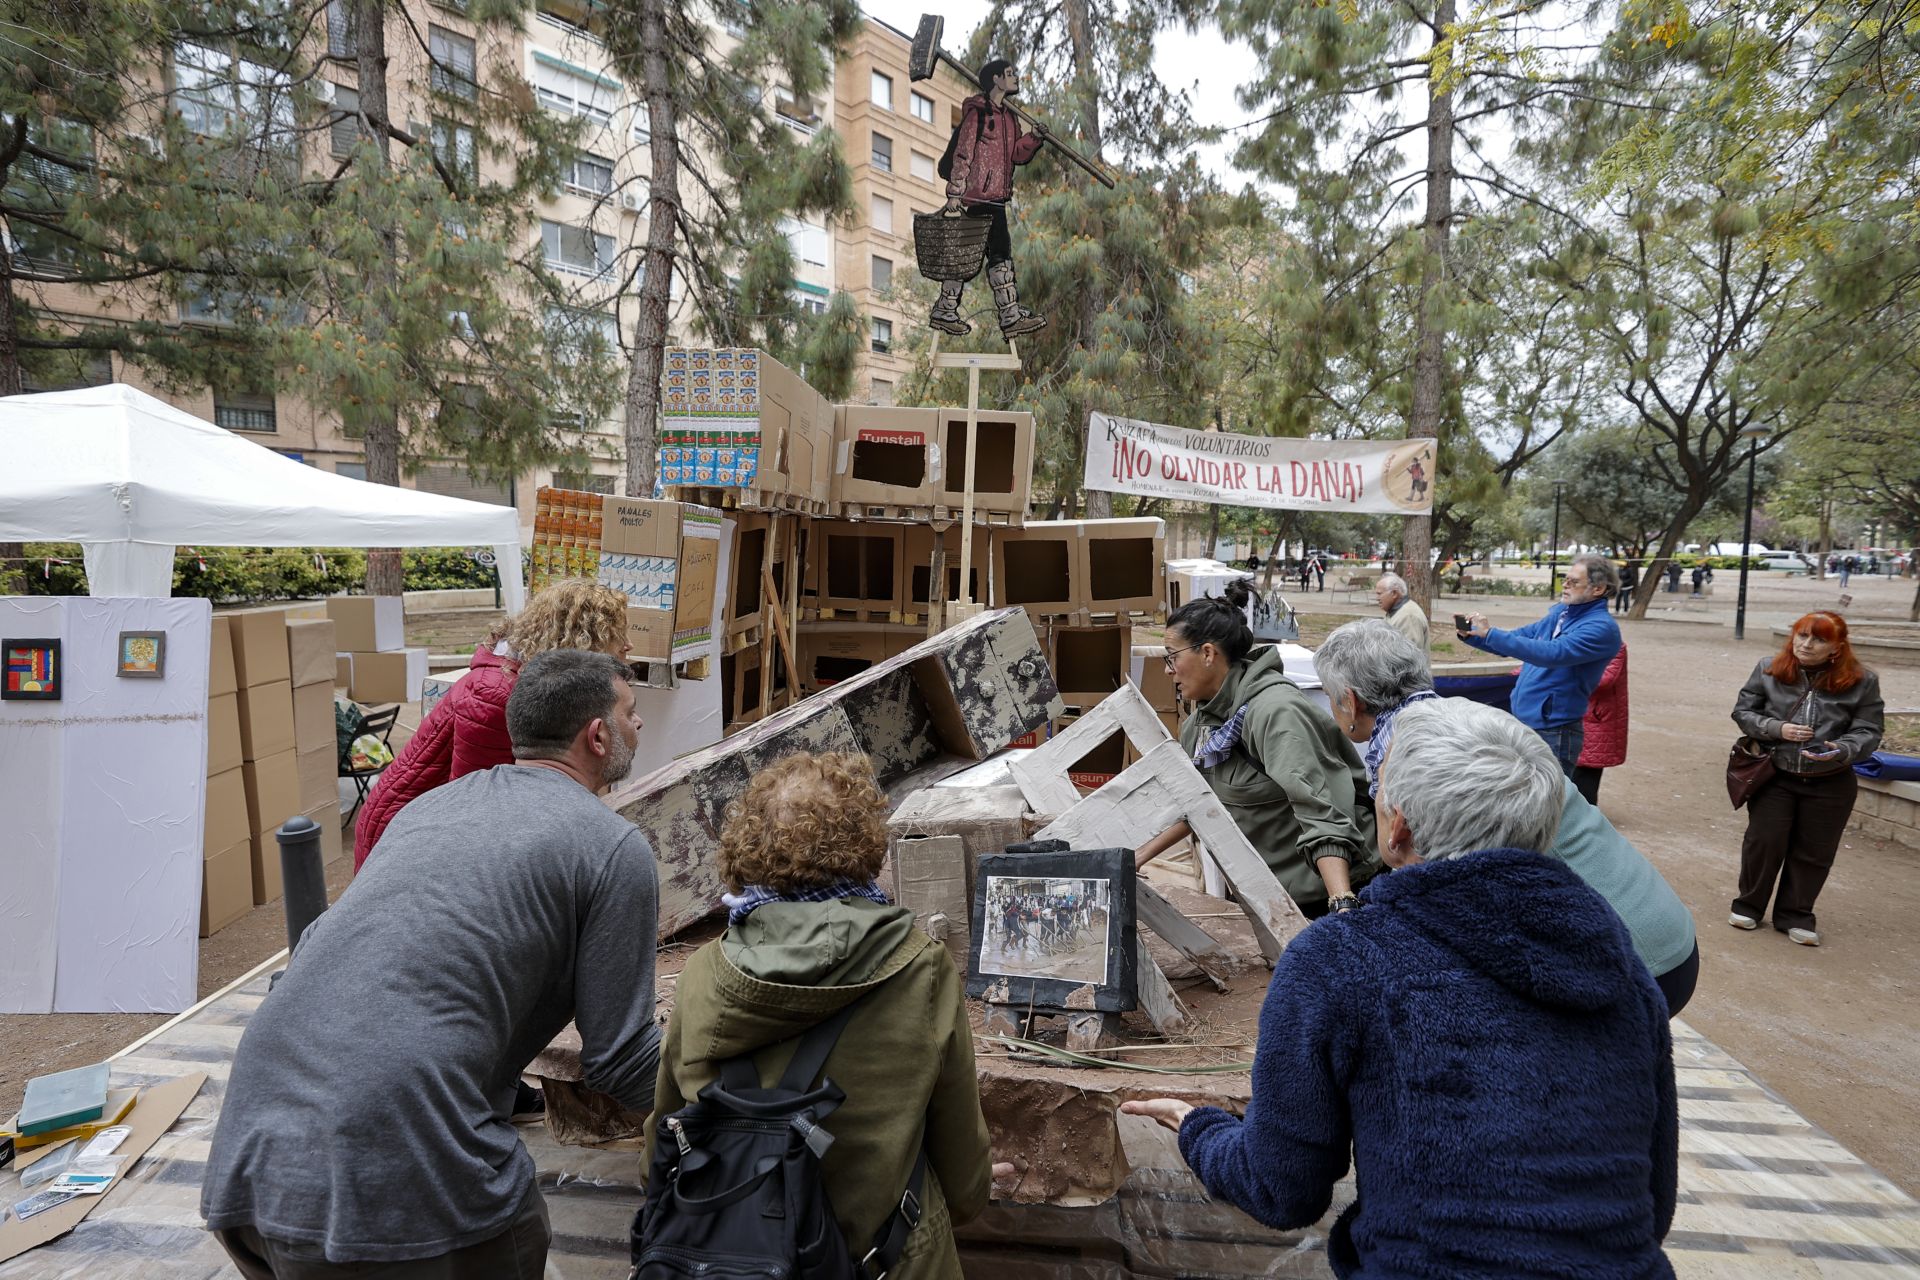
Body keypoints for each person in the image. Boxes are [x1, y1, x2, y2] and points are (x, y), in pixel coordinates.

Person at [1123, 698, 1677, 1277]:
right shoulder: (1620, 964)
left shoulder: (1341, 959)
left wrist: (1199, 1129)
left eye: (1378, 789)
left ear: (1400, 826)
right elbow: (1651, 1206)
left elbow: (1281, 1189)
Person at [203, 651, 661, 1278]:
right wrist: (732, 1105)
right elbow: (623, 1058)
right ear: (598, 734)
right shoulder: (610, 846)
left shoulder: (428, 810)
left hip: (248, 1159)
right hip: (395, 1171)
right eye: (631, 714)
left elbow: (317, 951)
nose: (640, 728)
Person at [648, 752, 994, 1278]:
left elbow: (664, 1140)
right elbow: (963, 1172)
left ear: (747, 847)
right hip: (885, 1260)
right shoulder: (923, 969)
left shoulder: (700, 973)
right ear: (865, 844)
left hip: (732, 1260)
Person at [1316, 622, 1698, 1013]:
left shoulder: (1406, 759)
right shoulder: (1465, 716)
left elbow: (1423, 881)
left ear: (1350, 701)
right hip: (1660, 925)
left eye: (1329, 697)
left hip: (1633, 963)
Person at [353, 579, 633, 871]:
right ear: (582, 639)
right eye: (617, 634)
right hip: (402, 842)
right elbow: (474, 807)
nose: (628, 645)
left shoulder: (525, 684)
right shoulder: (496, 694)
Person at [1138, 579, 1380, 917]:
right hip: (1276, 897)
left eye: (1172, 657)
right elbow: (1198, 805)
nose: (1167, 670)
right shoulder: (1201, 725)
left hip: (1333, 894)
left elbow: (1321, 811)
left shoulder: (1275, 711)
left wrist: (1342, 904)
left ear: (1207, 653)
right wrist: (1135, 858)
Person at [1730, 611, 1884, 946]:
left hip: (1831, 781)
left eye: (1819, 639)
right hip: (1777, 773)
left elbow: (1869, 731)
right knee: (1764, 841)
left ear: (1837, 647)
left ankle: (1796, 915)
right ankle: (1749, 906)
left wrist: (1842, 749)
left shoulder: (1862, 680)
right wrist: (1777, 729)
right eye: (1801, 635)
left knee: (1815, 851)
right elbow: (1743, 712)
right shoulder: (1769, 668)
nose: (1806, 644)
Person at [1458, 552, 1624, 777]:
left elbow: (1551, 654)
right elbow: (1519, 639)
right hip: (1528, 721)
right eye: (1565, 578)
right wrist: (1475, 636)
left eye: (1573, 582)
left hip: (1555, 730)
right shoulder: (1560, 615)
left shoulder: (1601, 628)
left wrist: (1491, 634)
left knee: (1548, 802)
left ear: (1599, 589)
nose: (1565, 585)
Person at [928, 58, 1047, 341]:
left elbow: (1016, 154)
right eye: (1010, 73)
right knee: (971, 258)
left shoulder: (1009, 117)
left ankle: (1004, 315)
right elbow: (963, 153)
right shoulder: (978, 114)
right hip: (977, 198)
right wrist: (955, 193)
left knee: (998, 254)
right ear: (996, 79)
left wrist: (1034, 138)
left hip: (997, 199)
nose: (1015, 77)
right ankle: (953, 312)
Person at [1574, 644, 1629, 805]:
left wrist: (1561, 671)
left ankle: (1585, 817)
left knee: (1586, 772)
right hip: (1576, 714)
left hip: (1595, 719)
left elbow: (1605, 679)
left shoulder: (1612, 644)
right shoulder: (1568, 639)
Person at [1371, 571, 1428, 672]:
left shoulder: (1408, 616)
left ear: (1394, 593)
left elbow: (1408, 658)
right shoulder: (1395, 612)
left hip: (1408, 684)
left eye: (1380, 594)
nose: (1377, 598)